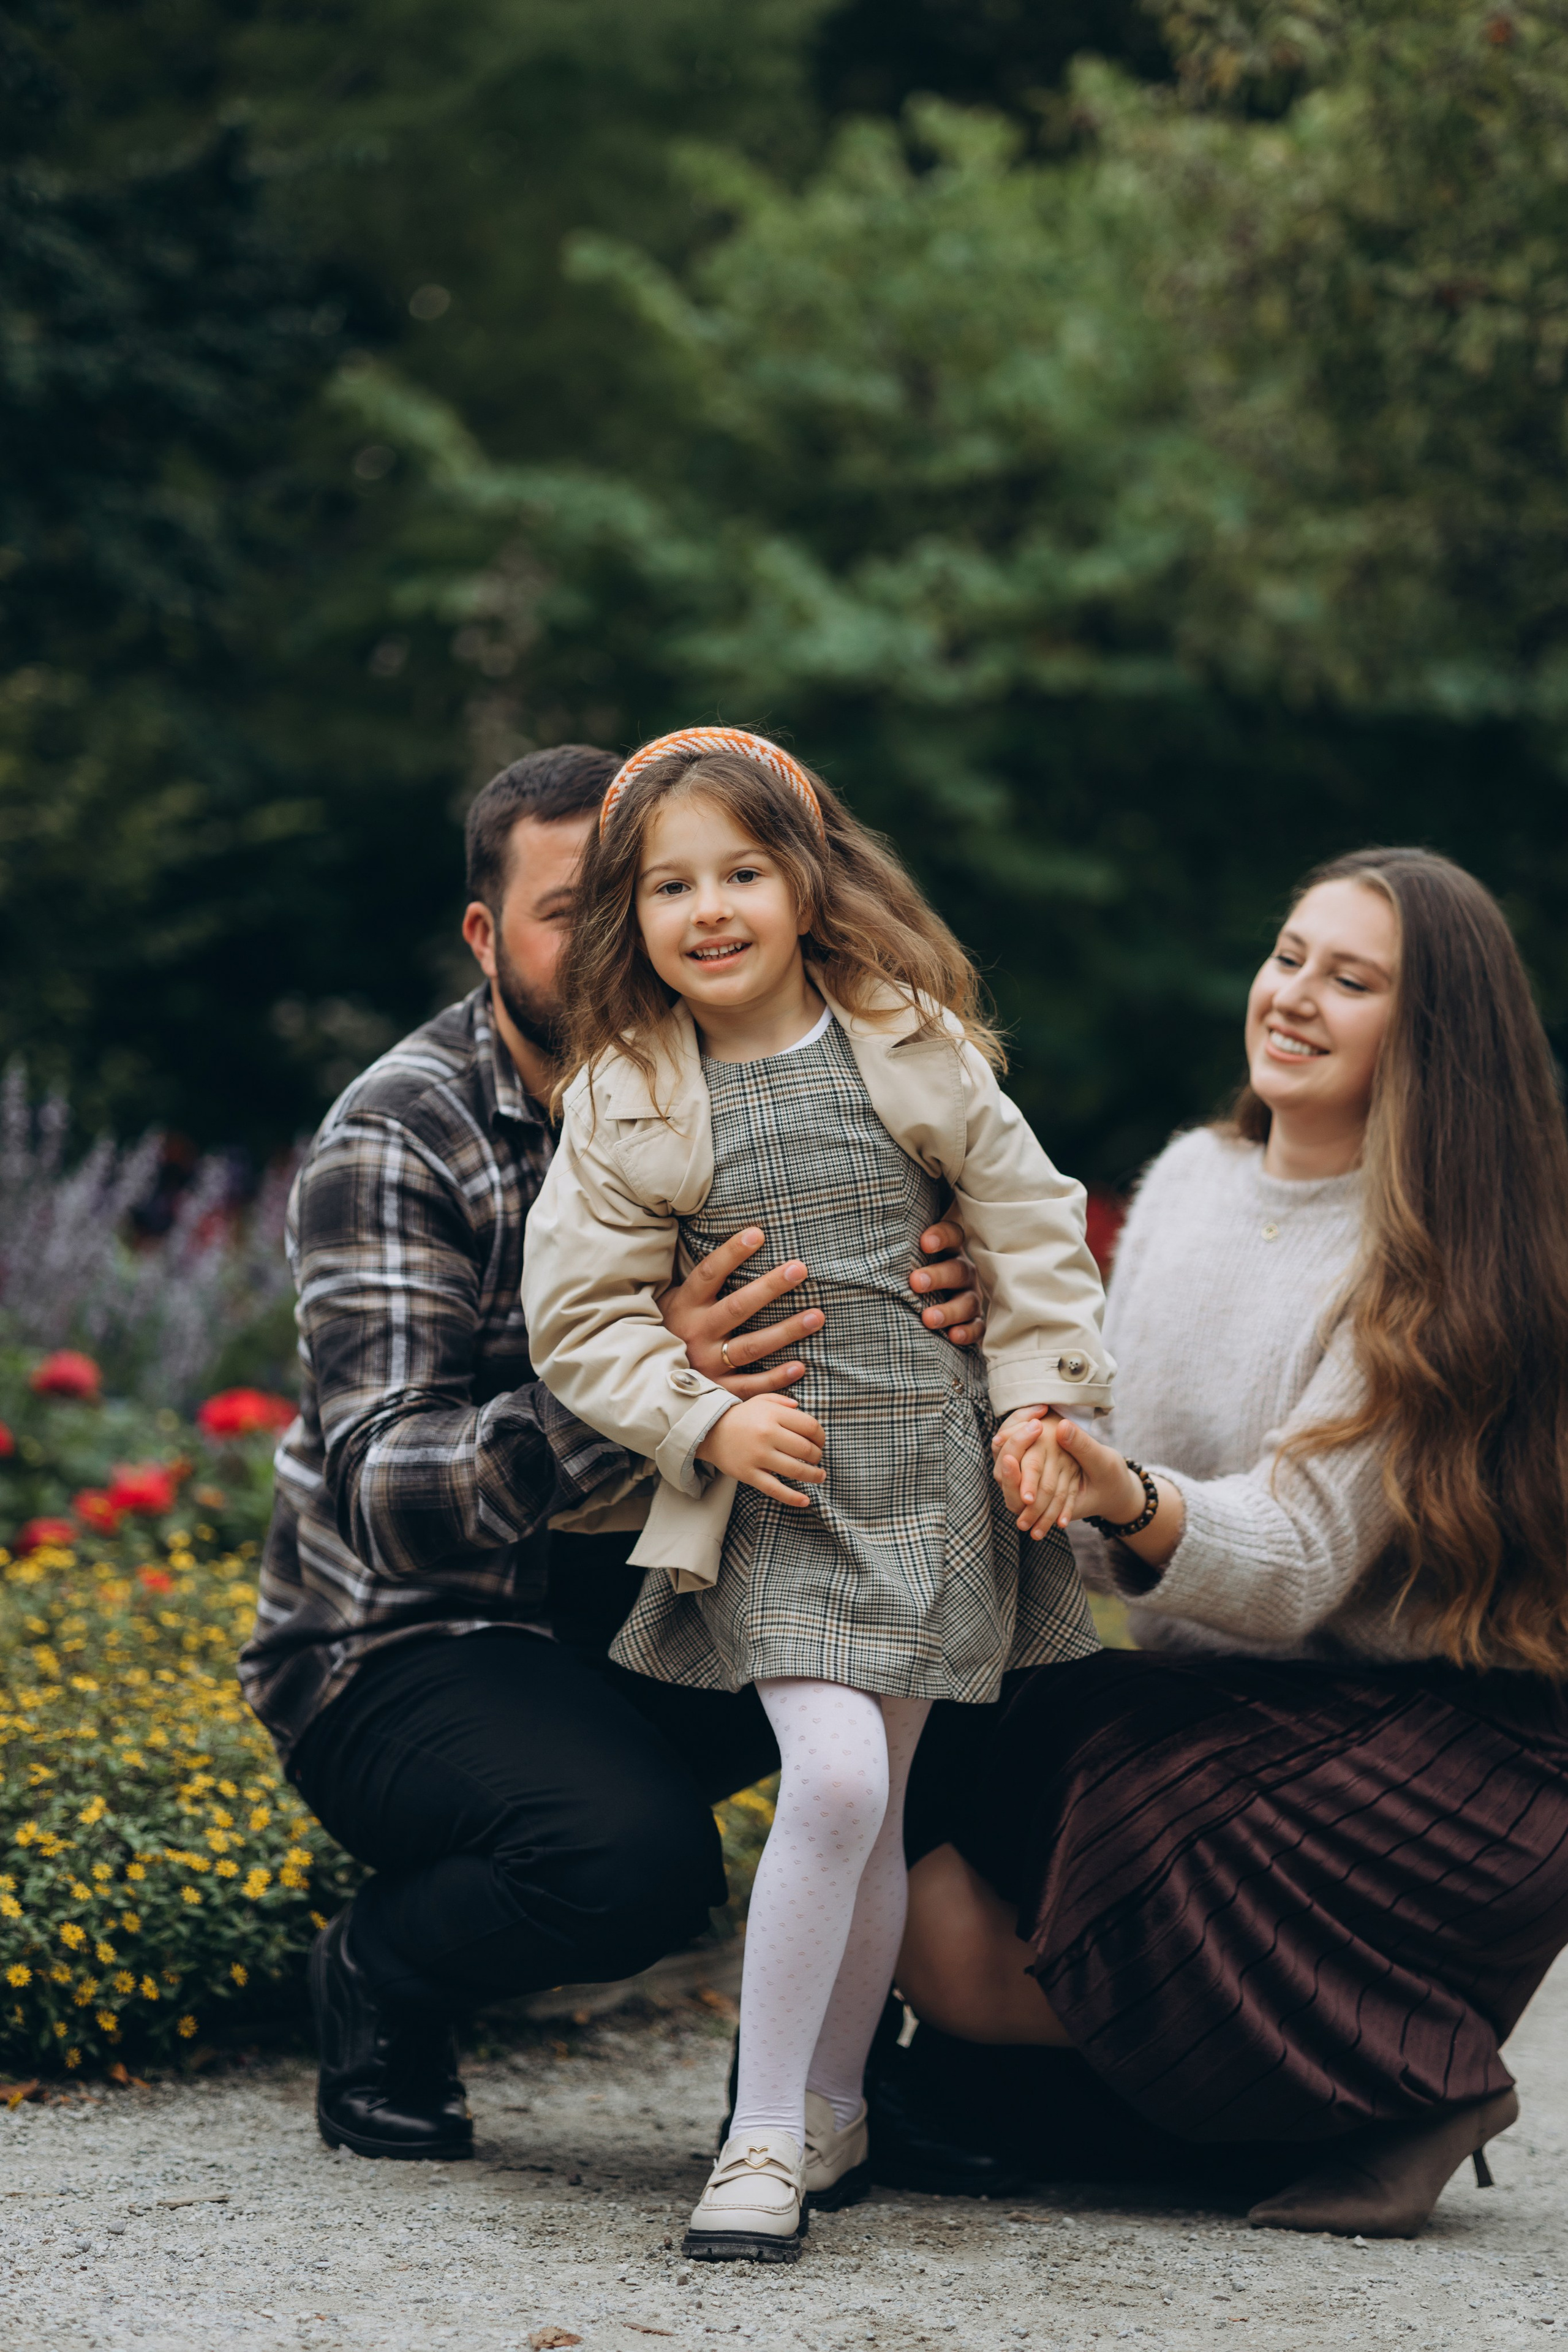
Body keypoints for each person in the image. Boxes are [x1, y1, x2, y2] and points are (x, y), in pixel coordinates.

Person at [237, 742, 989, 2162]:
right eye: (561, 908)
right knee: (628, 1868)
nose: (605, 942)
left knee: (960, 1666)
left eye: (628, 899)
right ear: (482, 935)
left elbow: (960, 1232)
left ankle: (834, 2086)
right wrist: (649, 1390)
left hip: (658, 1582)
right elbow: (389, 1497)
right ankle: (379, 1971)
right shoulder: (401, 1135)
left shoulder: (773, 1067)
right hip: (409, 1636)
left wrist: (955, 1287)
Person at [893, 846, 1568, 2238]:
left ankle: (1410, 2081)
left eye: (1352, 979)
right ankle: (1266, 2102)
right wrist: (999, 1394)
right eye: (1287, 956)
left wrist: (1119, 1491)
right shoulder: (1189, 1181)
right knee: (963, 1761)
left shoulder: (1439, 1251)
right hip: (1235, 1700)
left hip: (1450, 1750)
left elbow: (1296, 1557)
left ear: (1427, 1031)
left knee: (1123, 1804)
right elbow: (1095, 1518)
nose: (1295, 996)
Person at [522, 726, 1111, 2261]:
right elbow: (579, 1318)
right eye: (668, 885)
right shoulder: (628, 1090)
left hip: (931, 1469)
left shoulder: (906, 1037)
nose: (708, 909)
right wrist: (703, 1419)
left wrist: (1039, 1392)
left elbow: (1030, 1223)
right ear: (628, 916)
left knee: (881, 1806)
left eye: (740, 871)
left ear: (805, 880)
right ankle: (762, 2136)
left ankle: (834, 2107)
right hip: (775, 1478)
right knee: (838, 1782)